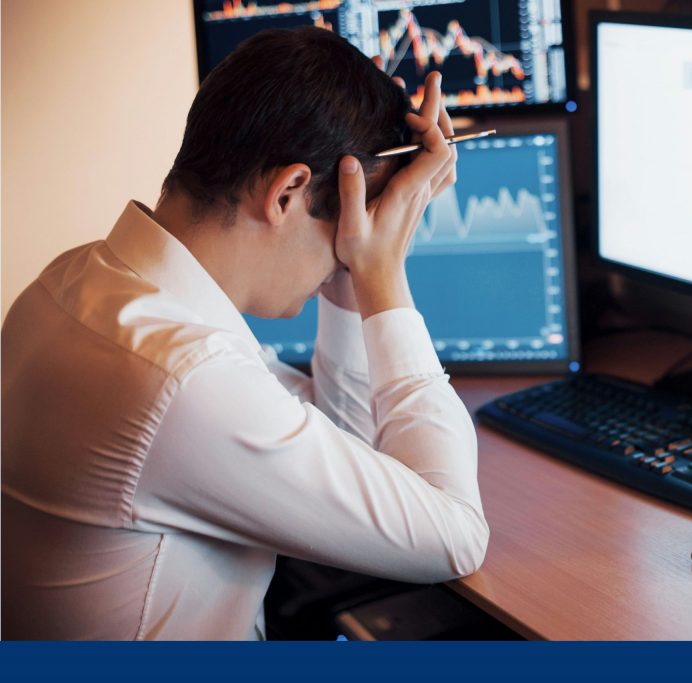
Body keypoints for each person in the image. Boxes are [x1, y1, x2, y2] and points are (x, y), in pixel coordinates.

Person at [1, 27, 488, 640]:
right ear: (287, 193)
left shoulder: (77, 281)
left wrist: (346, 278)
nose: (349, 250)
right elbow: (454, 536)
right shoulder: (182, 378)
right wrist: (382, 273)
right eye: (344, 231)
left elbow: (346, 447)